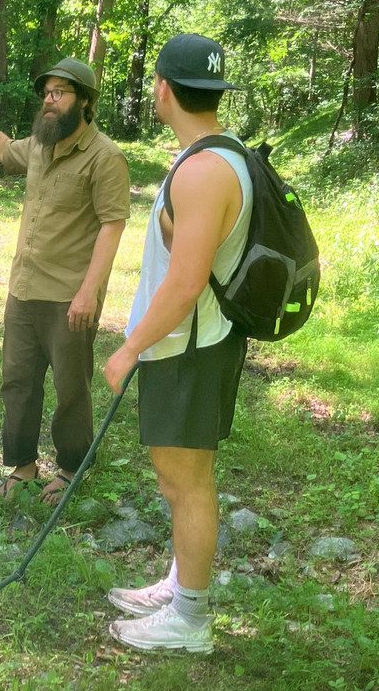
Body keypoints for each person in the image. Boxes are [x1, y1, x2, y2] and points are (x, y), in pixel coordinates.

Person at [103, 33, 251, 654]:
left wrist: (129, 346)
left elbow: (187, 282)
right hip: (190, 342)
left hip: (189, 346)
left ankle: (190, 620)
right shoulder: (216, 154)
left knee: (187, 480)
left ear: (163, 88)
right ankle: (178, 584)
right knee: (177, 477)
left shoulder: (206, 170)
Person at [0, 58, 130, 503]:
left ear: (86, 102)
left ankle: (71, 469)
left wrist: (88, 293)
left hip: (68, 298)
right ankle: (22, 466)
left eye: (60, 93)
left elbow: (112, 226)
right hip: (23, 290)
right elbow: (2, 148)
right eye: (47, 93)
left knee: (70, 389)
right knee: (17, 383)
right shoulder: (42, 146)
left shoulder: (105, 158)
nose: (49, 100)